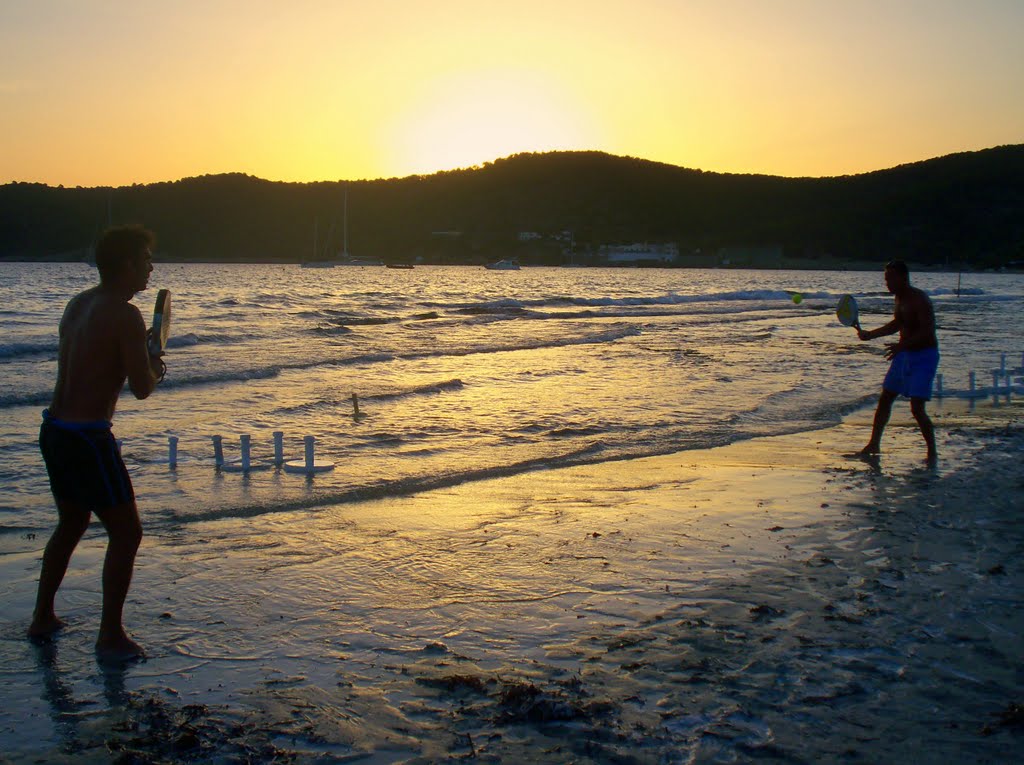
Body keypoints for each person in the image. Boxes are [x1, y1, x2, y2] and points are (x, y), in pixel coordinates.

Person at [28, 225, 164, 660]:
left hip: (55, 429)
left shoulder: (79, 302)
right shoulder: (126, 315)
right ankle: (110, 636)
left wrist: (136, 355)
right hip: (88, 436)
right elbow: (142, 387)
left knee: (71, 523)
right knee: (127, 532)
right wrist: (154, 364)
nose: (150, 267)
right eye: (145, 259)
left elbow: (92, 360)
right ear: (126, 264)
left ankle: (43, 616)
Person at [855, 260, 939, 464]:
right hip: (904, 354)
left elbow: (927, 330)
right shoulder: (899, 298)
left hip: (924, 356)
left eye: (890, 278)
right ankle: (874, 444)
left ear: (903, 277)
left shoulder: (919, 299)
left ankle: (932, 453)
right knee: (886, 398)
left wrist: (902, 345)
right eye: (885, 279)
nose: (887, 283)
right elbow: (897, 324)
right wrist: (871, 335)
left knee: (917, 408)